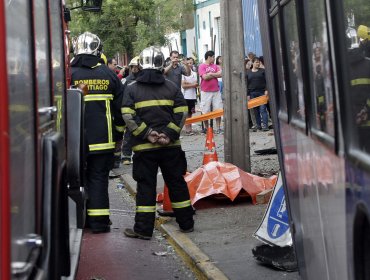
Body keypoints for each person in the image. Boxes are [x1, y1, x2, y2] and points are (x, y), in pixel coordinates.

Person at [121, 46, 195, 240]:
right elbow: (181, 112)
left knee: (146, 187)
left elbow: (128, 115)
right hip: (170, 147)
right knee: (177, 183)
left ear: (140, 65)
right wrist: (168, 134)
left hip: (144, 149)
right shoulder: (171, 87)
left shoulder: (131, 89)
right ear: (162, 64)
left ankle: (143, 230)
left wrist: (147, 134)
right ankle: (187, 224)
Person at [71, 32, 125, 233]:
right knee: (99, 179)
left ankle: (80, 221)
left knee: (76, 181)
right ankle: (100, 223)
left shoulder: (68, 73)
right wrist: (118, 135)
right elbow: (121, 109)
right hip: (103, 141)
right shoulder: (108, 74)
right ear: (98, 50)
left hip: (74, 143)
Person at [121, 56, 141, 165]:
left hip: (141, 110)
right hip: (130, 110)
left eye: (136, 67)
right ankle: (126, 156)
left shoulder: (143, 79)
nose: (134, 69)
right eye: (132, 67)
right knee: (129, 132)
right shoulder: (127, 80)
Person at [198, 50, 223, 133]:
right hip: (205, 91)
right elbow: (204, 77)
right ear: (209, 57)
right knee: (205, 110)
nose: (214, 58)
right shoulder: (202, 66)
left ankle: (218, 127)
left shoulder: (215, 66)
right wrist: (214, 74)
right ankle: (206, 128)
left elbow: (221, 74)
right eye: (213, 57)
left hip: (216, 91)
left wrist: (211, 74)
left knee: (218, 109)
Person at [246, 57, 269, 131]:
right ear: (252, 63)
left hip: (262, 93)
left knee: (263, 109)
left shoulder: (263, 71)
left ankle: (265, 126)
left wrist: (266, 89)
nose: (258, 63)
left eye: (258, 62)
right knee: (255, 110)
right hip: (252, 93)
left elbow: (267, 81)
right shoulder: (248, 72)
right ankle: (258, 126)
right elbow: (246, 84)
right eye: (256, 62)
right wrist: (247, 94)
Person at [181, 57, 198, 135]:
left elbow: (196, 84)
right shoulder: (182, 74)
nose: (190, 65)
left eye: (191, 63)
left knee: (190, 113)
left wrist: (188, 84)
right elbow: (183, 85)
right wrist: (192, 84)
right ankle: (187, 129)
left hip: (192, 96)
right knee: (185, 113)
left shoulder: (194, 73)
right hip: (185, 96)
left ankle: (190, 128)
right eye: (188, 63)